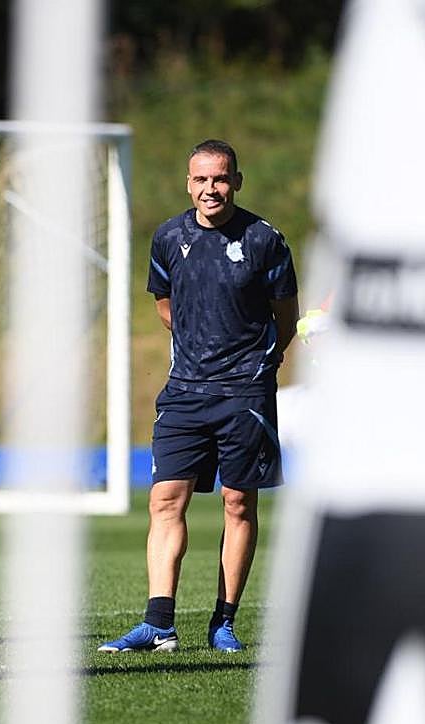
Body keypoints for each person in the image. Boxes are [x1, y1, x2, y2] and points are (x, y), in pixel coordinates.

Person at [99, 139, 299, 654]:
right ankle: (158, 622)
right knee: (165, 499)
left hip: (245, 393)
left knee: (238, 503)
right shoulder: (168, 237)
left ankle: (224, 622)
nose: (211, 188)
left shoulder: (264, 240)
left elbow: (285, 315)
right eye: (201, 180)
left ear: (237, 180)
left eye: (221, 178)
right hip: (184, 392)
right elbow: (165, 304)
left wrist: (259, 361)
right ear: (189, 184)